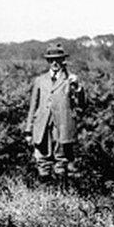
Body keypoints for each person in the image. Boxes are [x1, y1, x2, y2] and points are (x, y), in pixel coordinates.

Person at [23, 44, 85, 182]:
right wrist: (28, 130)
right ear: (48, 62)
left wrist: (78, 88)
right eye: (51, 60)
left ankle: (60, 194)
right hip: (42, 126)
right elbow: (33, 106)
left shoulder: (70, 80)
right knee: (42, 160)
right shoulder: (40, 80)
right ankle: (45, 195)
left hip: (62, 126)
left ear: (63, 60)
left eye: (58, 59)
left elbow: (81, 105)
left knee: (61, 161)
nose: (55, 63)